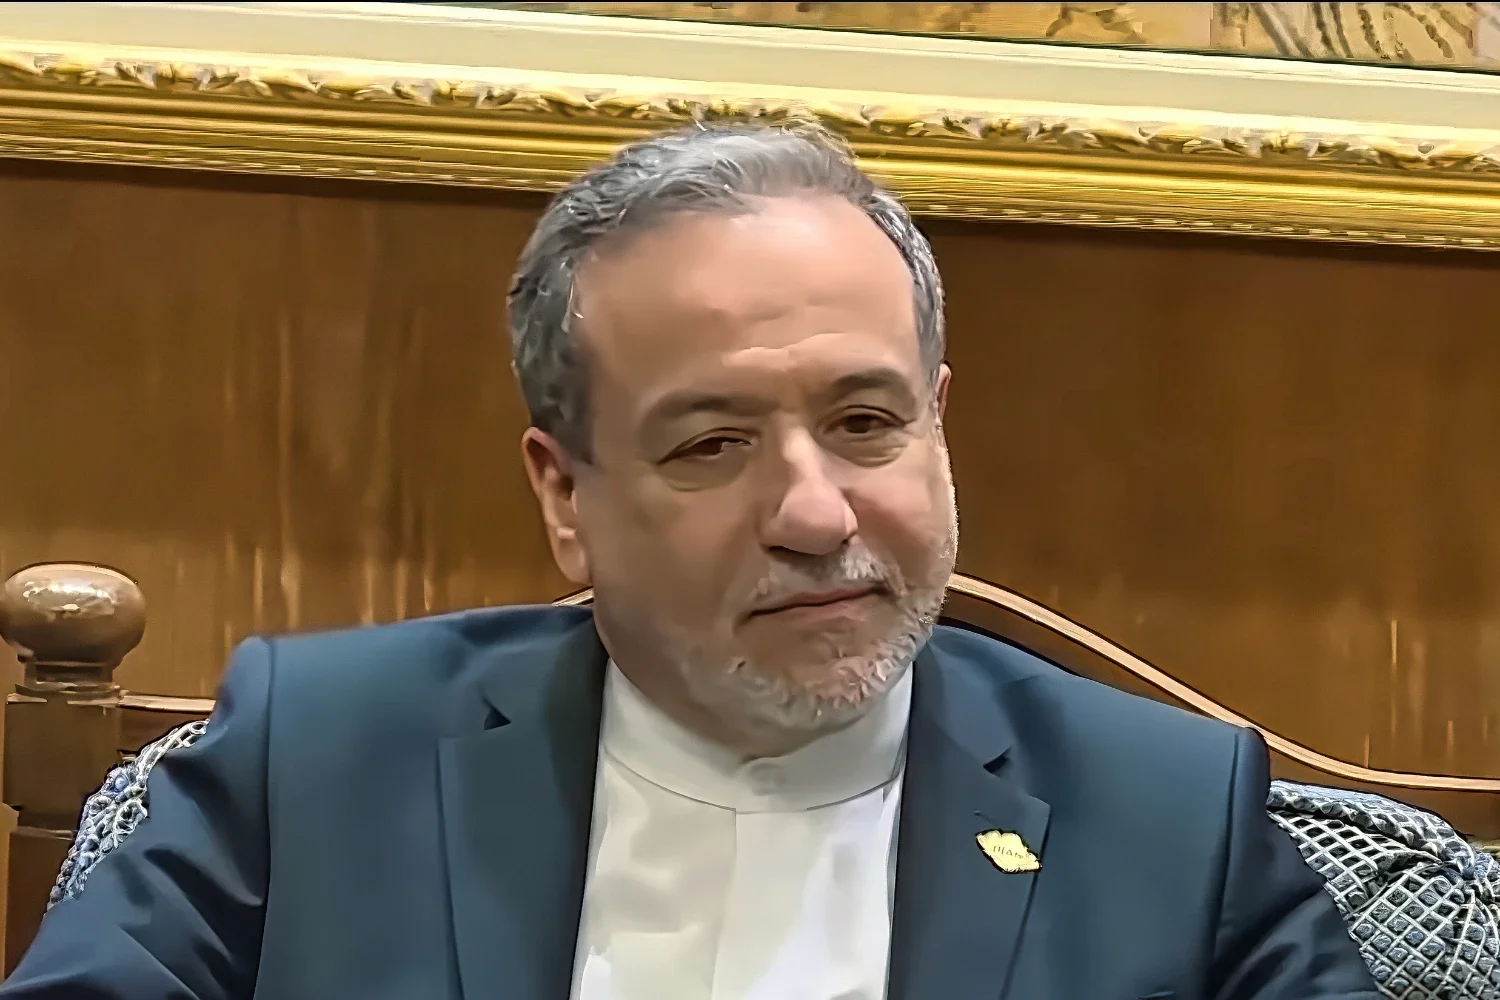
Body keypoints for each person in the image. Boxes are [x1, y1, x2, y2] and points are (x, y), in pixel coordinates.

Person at [0, 122, 1379, 1000]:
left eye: (867, 423)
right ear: (566, 495)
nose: (817, 514)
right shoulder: (318, 760)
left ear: (938, 424)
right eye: (713, 445)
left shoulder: (1166, 819)